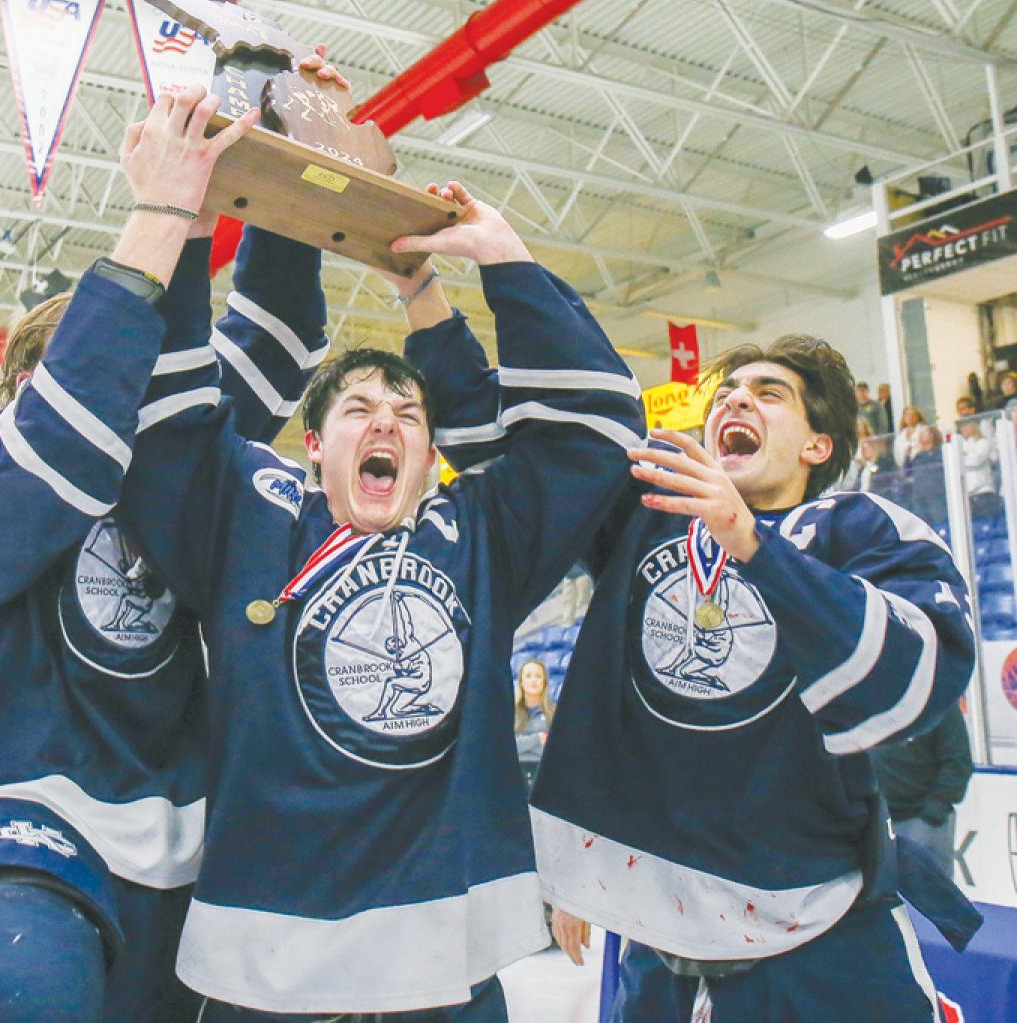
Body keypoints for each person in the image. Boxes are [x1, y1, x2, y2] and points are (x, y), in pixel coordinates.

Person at [115, 180, 644, 1018]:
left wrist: (502, 261)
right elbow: (169, 411)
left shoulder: (481, 534)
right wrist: (192, 211)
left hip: (443, 960)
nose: (386, 423)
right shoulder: (251, 513)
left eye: (408, 413)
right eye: (359, 409)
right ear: (313, 444)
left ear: (432, 451)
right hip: (265, 960)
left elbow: (601, 427)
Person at [0, 77, 338, 1023]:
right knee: (7, 988)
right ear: (14, 379)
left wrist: (291, 146)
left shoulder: (172, 463)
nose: (131, 405)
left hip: (191, 841)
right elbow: (62, 445)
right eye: (95, 368)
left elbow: (273, 343)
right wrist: (165, 215)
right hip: (14, 828)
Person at [429, 334, 975, 1021]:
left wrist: (751, 541)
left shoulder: (859, 528)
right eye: (727, 392)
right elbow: (521, 459)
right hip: (665, 938)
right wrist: (427, 306)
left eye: (769, 393)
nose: (738, 397)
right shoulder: (650, 515)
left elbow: (923, 668)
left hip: (825, 938)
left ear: (818, 445)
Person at [872, 705, 972, 879]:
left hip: (921, 822)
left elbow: (958, 761)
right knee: (884, 898)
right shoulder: (869, 701)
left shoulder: (939, 702)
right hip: (876, 823)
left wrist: (934, 811)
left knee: (932, 896)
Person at [514, 657, 555, 793]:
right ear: (521, 682)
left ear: (544, 682)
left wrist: (522, 742)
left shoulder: (554, 712)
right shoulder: (510, 712)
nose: (533, 681)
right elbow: (508, 745)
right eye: (528, 676)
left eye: (538, 676)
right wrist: (537, 739)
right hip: (514, 771)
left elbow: (553, 749)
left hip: (544, 772)